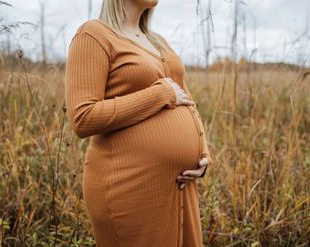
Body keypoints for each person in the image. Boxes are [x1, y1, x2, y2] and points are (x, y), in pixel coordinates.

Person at [65, 0, 213, 246]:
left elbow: (187, 100)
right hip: (129, 186)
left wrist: (202, 155)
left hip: (179, 186)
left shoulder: (157, 41)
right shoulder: (93, 34)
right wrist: (158, 95)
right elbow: (83, 116)